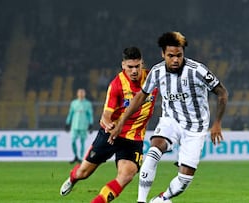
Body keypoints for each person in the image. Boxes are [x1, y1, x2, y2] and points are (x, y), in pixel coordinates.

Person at [109, 31, 228, 203]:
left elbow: (222, 93)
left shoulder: (197, 71)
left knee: (184, 182)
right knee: (153, 151)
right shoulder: (157, 72)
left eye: (179, 55)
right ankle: (140, 201)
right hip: (171, 121)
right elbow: (140, 97)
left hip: (196, 127)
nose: (175, 60)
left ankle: (162, 199)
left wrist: (217, 123)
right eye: (171, 56)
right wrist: (121, 123)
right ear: (163, 54)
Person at [60, 47, 158, 202]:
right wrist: (110, 125)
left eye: (137, 66)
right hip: (111, 134)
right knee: (83, 173)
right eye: (130, 67)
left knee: (126, 176)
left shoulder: (153, 78)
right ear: (123, 65)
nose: (134, 71)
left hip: (134, 139)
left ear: (142, 64)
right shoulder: (117, 85)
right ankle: (73, 178)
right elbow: (105, 115)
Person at [65, 88, 94, 164]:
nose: (81, 94)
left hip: (83, 125)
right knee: (73, 141)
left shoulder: (88, 104)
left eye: (82, 93)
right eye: (79, 93)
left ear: (84, 94)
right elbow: (70, 113)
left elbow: (90, 115)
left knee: (82, 142)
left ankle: (81, 157)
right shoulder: (73, 103)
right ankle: (75, 156)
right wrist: (67, 123)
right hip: (74, 125)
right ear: (77, 94)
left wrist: (91, 124)